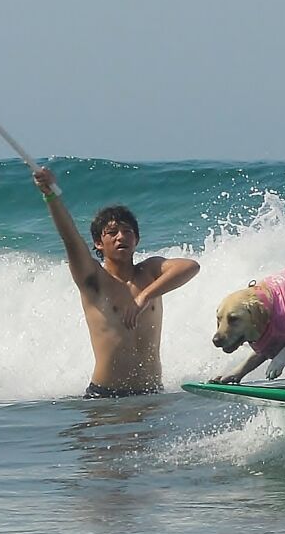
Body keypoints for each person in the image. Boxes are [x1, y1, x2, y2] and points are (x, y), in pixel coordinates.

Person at [33, 166, 200, 398]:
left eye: (127, 231)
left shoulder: (150, 271)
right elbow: (70, 237)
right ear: (98, 243)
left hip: (151, 395)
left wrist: (144, 296)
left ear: (137, 239)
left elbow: (190, 266)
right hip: (105, 397)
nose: (121, 236)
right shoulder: (94, 280)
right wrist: (50, 194)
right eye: (112, 233)